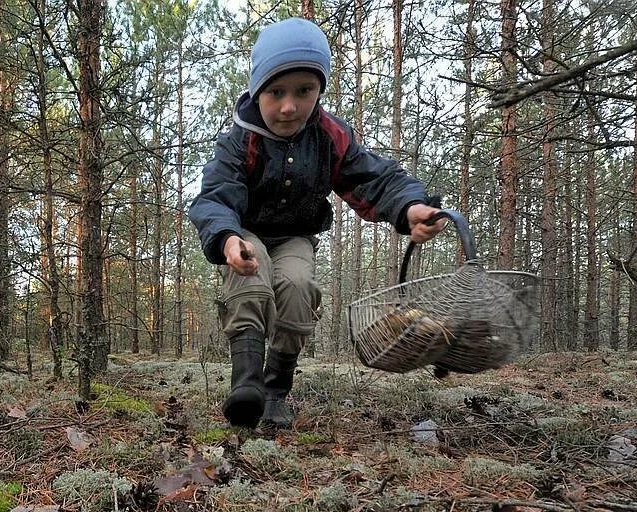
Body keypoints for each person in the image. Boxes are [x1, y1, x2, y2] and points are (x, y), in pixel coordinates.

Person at [189, 17, 447, 430]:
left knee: (297, 289)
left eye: (304, 91)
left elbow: (374, 179)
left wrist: (410, 207)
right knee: (252, 285)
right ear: (258, 91)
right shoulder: (240, 138)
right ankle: (247, 387)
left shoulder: (329, 136)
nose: (289, 106)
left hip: (294, 235)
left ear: (319, 90)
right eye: (276, 92)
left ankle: (275, 391)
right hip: (244, 231)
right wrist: (226, 239)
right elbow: (216, 195)